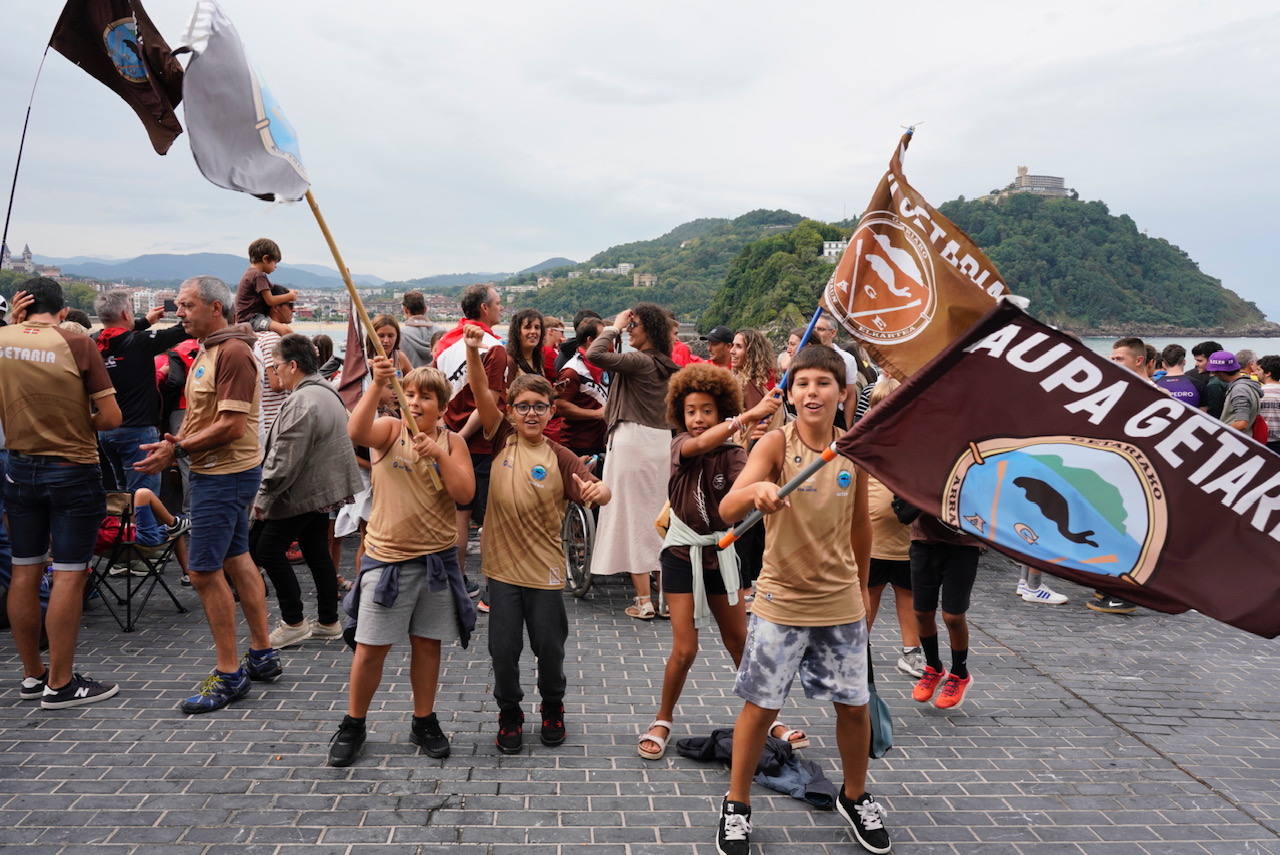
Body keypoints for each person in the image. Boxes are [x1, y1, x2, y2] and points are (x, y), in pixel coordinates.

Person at [715, 343, 888, 855]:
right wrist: (756, 494)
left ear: (844, 394)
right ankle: (737, 804)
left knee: (853, 708)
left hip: (840, 603)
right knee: (760, 707)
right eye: (802, 383)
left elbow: (861, 527)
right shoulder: (774, 445)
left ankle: (854, 796)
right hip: (780, 602)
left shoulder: (852, 451)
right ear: (790, 394)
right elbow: (728, 507)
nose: (812, 392)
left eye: (823, 383)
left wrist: (861, 587)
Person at [135, 276, 281, 714]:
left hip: (223, 475)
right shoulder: (213, 347)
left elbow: (233, 425)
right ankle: (261, 653)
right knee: (237, 558)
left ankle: (230, 672)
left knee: (202, 571)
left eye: (186, 305)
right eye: (178, 305)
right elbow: (210, 415)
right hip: (221, 472)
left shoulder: (233, 351)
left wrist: (178, 446)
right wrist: (180, 441)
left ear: (215, 308)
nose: (179, 312)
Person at [463, 328, 610, 752]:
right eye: (523, 406)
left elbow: (597, 488)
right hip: (502, 572)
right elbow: (478, 390)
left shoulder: (559, 456)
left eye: (539, 407)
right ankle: (509, 712)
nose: (530, 414)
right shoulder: (498, 440)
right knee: (503, 653)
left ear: (550, 413)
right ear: (509, 411)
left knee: (550, 650)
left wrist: (599, 491)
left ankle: (553, 707)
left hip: (545, 573)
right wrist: (474, 352)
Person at [325, 357, 476, 768]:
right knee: (370, 648)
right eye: (409, 394)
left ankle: (423, 720)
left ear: (442, 407)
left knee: (427, 646)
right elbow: (355, 430)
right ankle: (353, 723)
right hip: (387, 559)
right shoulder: (390, 431)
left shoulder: (453, 442)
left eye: (425, 397)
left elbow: (464, 493)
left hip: (436, 563)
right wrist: (376, 384)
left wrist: (439, 456)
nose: (416, 402)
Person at [637, 364, 784, 762]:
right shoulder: (680, 445)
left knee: (740, 642)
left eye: (706, 410)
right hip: (682, 555)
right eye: (690, 411)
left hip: (722, 554)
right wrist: (748, 418)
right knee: (685, 649)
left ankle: (768, 719)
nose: (698, 419)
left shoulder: (736, 454)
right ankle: (663, 718)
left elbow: (742, 495)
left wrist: (768, 478)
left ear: (720, 410)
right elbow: (699, 447)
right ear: (680, 416)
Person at [0, 279, 122, 708]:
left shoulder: (2, 340)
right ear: (64, 310)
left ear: (22, 305)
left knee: (23, 570)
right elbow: (110, 416)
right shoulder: (76, 343)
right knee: (69, 571)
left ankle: (32, 675)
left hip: (18, 467)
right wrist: (74, 419)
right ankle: (62, 682)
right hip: (70, 468)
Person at [251, 334, 363, 648]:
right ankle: (328, 620)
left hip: (302, 491)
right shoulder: (326, 389)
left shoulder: (303, 399)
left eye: (277, 366)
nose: (275, 373)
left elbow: (284, 458)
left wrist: (262, 498)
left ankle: (294, 621)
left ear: (293, 365)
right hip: (322, 488)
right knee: (316, 550)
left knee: (266, 550)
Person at [586, 304, 680, 619]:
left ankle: (644, 601)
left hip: (631, 444)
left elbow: (595, 355)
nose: (630, 329)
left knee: (634, 520)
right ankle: (665, 598)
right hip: (660, 444)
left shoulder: (639, 361)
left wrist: (613, 327)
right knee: (660, 520)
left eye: (635, 324)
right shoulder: (668, 366)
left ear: (649, 329)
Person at [432, 284, 509, 599]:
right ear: (484, 309)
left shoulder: (443, 345)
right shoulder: (494, 347)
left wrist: (449, 437)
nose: (501, 309)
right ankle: (494, 586)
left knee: (457, 516)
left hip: (447, 439)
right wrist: (463, 437)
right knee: (492, 517)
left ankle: (456, 580)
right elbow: (488, 402)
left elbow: (438, 398)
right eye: (499, 304)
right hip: (481, 444)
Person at [92, 289, 192, 494]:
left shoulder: (93, 342)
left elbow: (118, 334)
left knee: (122, 493)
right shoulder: (140, 343)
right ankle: (144, 527)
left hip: (105, 430)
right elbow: (180, 331)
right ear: (126, 314)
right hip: (137, 430)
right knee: (144, 496)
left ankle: (125, 526)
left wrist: (145, 322)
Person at [859, 377, 928, 676]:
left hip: (906, 538)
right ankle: (858, 648)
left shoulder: (915, 444)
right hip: (872, 539)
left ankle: (911, 651)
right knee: (868, 594)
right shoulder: (867, 444)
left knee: (908, 596)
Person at [909, 511, 982, 711]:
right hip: (924, 539)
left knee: (953, 616)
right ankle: (933, 668)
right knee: (922, 613)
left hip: (964, 544)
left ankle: (960, 674)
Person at [728, 328, 781, 591]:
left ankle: (744, 586)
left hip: (747, 462)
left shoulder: (747, 386)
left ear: (752, 351)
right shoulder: (765, 385)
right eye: (733, 345)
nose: (732, 351)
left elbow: (752, 431)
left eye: (738, 346)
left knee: (745, 527)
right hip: (758, 463)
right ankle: (752, 582)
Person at [545, 317, 608, 460]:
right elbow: (560, 405)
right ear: (590, 340)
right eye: (604, 338)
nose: (608, 342)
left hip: (599, 440)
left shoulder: (601, 364)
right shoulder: (572, 370)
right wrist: (596, 414)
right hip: (579, 444)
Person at [253, 288, 296, 442]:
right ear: (276, 307)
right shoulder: (273, 339)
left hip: (262, 421)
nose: (294, 310)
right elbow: (277, 384)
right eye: (290, 305)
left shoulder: (257, 336)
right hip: (274, 422)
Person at [234, 238, 296, 336]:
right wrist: (290, 296)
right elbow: (270, 300)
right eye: (274, 263)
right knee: (285, 330)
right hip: (252, 319)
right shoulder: (258, 275)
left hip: (245, 318)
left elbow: (271, 288)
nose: (275, 267)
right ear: (265, 259)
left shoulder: (250, 273)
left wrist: (287, 291)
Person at [813, 316, 861, 428]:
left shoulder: (847, 359)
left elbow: (849, 395)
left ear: (833, 333)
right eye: (814, 329)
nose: (816, 332)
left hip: (835, 416)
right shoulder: (803, 356)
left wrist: (847, 427)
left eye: (820, 329)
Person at [1208, 350, 1263, 434]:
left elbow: (1242, 423)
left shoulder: (1239, 389)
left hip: (1236, 441)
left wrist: (1217, 432)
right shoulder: (1248, 385)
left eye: (1214, 371)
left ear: (1220, 372)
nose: (1213, 374)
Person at [506, 308, 548, 379]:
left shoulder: (538, 359)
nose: (533, 331)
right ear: (517, 332)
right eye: (527, 327)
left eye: (537, 327)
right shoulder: (509, 362)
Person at [1155, 343, 1200, 409]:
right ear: (1184, 362)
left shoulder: (1155, 385)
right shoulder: (1198, 384)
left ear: (1163, 364)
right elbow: (1203, 414)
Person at [1189, 340, 1228, 416]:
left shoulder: (1216, 383)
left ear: (1212, 360)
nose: (1196, 364)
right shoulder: (1191, 376)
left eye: (1200, 361)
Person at [399, 290, 436, 369]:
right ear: (425, 309)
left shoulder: (400, 334)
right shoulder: (441, 332)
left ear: (405, 310)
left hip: (411, 379)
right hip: (437, 379)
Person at [1259, 355, 1280, 454]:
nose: (1256, 372)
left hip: (1264, 441)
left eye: (1259, 370)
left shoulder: (1258, 392)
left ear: (1268, 373)